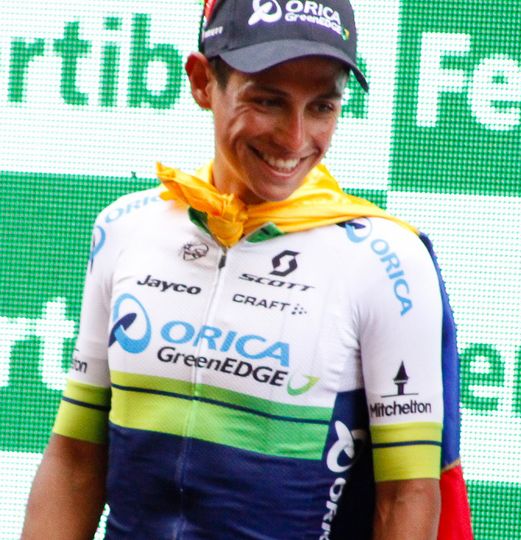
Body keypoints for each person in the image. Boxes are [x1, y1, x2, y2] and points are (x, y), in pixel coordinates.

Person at [22, 0, 472, 538]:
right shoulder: (126, 228)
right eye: (268, 101)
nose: (294, 138)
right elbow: (75, 457)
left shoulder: (386, 259)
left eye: (322, 107)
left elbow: (407, 495)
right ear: (201, 82)